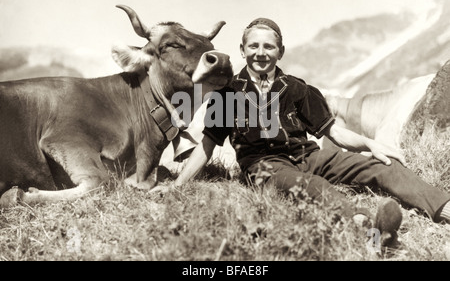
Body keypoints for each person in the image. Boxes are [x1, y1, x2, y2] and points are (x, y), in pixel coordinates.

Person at [153, 18, 450, 236]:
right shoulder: (226, 94)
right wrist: (178, 186)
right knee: (315, 188)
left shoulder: (297, 88)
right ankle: (368, 229)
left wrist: (370, 145)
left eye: (269, 46)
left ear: (280, 52)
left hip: (309, 157)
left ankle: (443, 206)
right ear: (242, 51)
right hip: (265, 167)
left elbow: (333, 132)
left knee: (382, 166)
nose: (261, 52)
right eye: (253, 45)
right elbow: (207, 146)